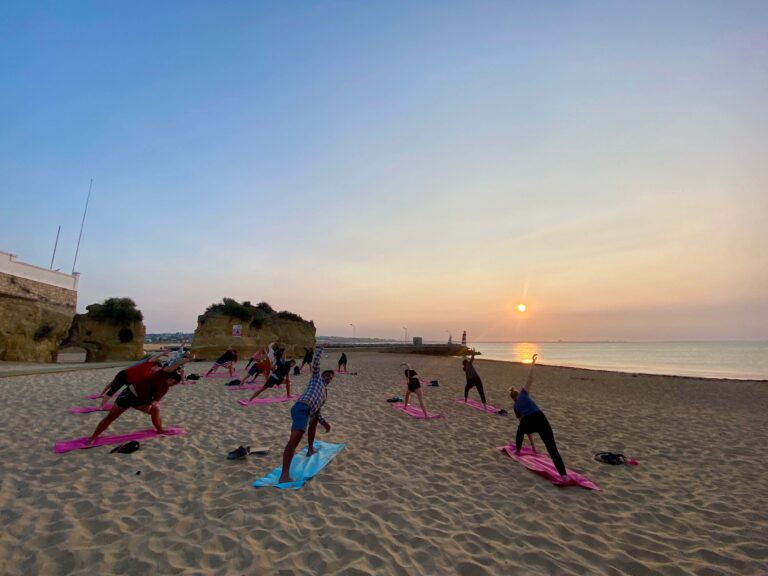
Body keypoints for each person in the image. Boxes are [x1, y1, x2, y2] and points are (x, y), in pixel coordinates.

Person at [87, 354, 193, 444]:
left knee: (155, 410)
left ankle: (160, 431)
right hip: (128, 395)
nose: (173, 385)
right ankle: (93, 437)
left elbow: (155, 400)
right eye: (173, 382)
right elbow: (173, 366)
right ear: (170, 377)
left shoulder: (165, 389)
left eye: (175, 384)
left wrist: (150, 405)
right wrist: (186, 360)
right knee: (111, 416)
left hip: (141, 401)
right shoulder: (160, 375)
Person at [278, 347, 335, 484]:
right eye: (327, 375)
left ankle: (310, 449)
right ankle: (284, 475)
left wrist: (324, 423)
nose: (328, 377)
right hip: (301, 407)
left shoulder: (325, 395)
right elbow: (315, 364)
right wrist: (320, 349)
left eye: (331, 377)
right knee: (294, 441)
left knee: (314, 420)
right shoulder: (316, 378)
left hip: (308, 411)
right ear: (322, 375)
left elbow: (317, 412)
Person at [508, 354, 568, 482]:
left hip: (529, 420)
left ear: (512, 398)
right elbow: (530, 378)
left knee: (520, 430)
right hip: (540, 417)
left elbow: (523, 428)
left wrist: (532, 443)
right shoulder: (524, 393)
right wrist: (532, 363)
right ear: (518, 393)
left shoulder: (515, 406)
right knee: (552, 448)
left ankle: (518, 451)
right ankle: (564, 476)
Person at [98, 350, 168, 407]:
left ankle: (135, 403)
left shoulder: (151, 373)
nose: (158, 370)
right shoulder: (148, 364)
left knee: (135, 391)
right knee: (113, 390)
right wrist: (162, 354)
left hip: (130, 380)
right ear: (155, 365)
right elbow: (154, 357)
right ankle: (101, 406)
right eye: (158, 369)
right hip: (124, 375)